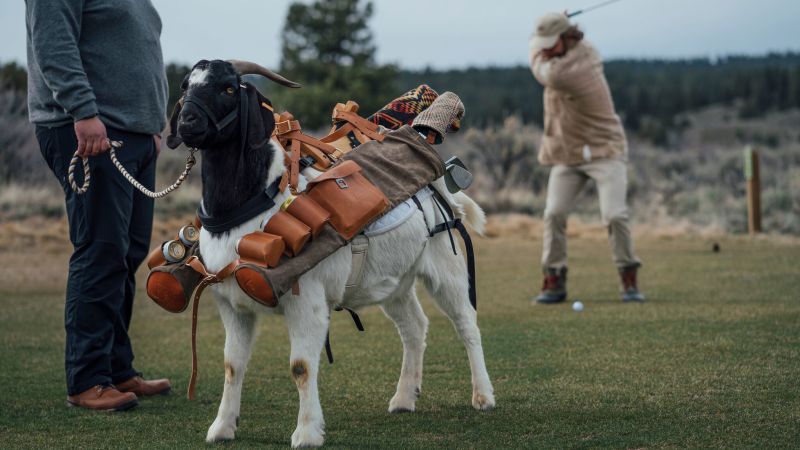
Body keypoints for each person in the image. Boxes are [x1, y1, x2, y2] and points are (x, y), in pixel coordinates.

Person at [26, 0, 171, 411]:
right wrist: (83, 111)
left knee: (127, 253)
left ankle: (116, 369)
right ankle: (87, 380)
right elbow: (53, 43)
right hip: (91, 129)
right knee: (101, 250)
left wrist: (151, 126)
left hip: (133, 134)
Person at [529, 12, 645, 304]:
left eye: (549, 42)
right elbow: (541, 49)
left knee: (614, 215)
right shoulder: (559, 49)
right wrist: (553, 26)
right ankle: (554, 279)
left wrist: (539, 41)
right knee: (553, 213)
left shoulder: (575, 66)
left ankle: (628, 276)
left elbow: (542, 69)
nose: (542, 48)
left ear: (567, 38)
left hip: (605, 150)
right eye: (542, 41)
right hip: (568, 154)